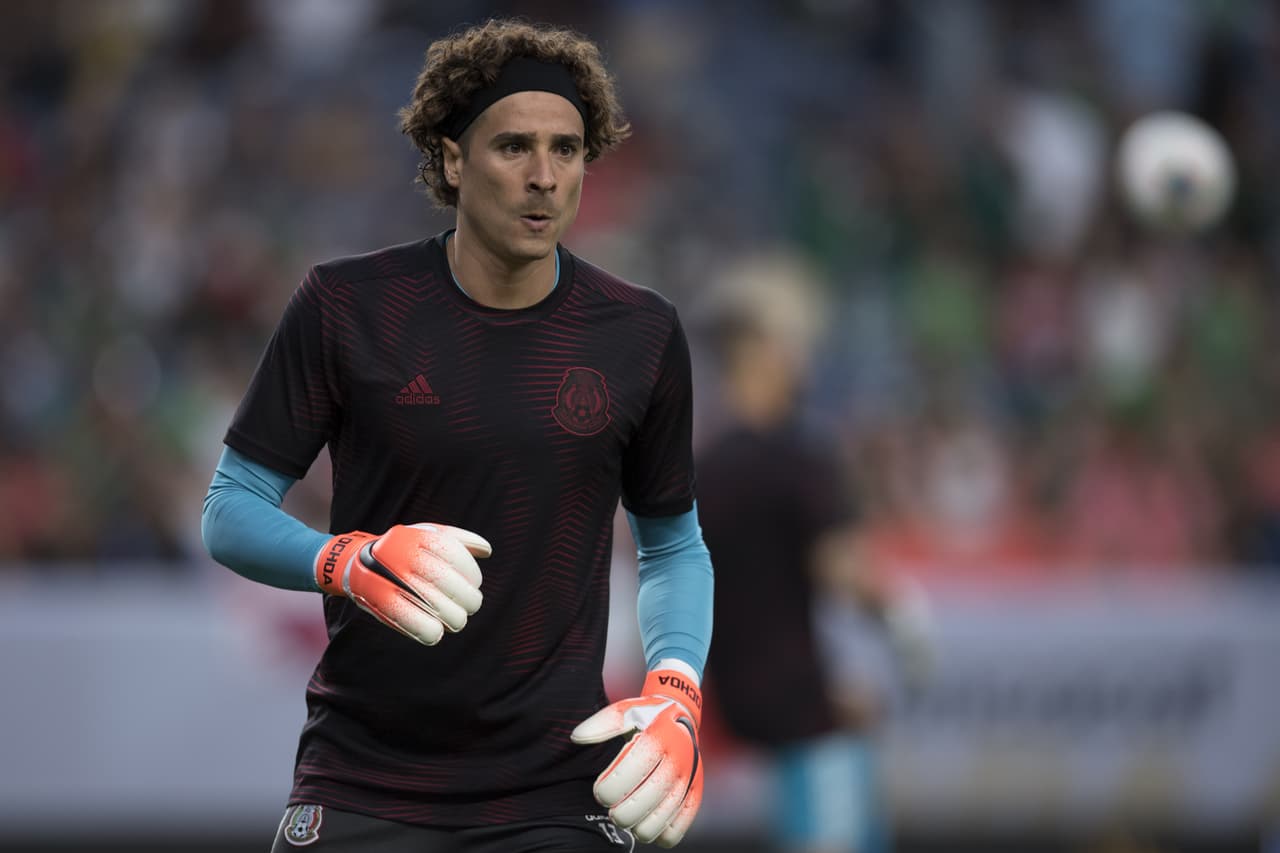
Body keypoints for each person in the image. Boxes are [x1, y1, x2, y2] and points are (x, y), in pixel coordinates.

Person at [201, 18, 713, 853]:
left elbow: (673, 546)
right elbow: (230, 508)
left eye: (568, 149)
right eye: (513, 147)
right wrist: (346, 561)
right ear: (449, 158)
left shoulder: (641, 332)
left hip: (557, 786)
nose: (545, 178)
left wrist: (676, 685)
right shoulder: (347, 306)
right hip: (365, 776)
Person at [694, 254, 929, 853]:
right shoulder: (804, 461)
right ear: (762, 348)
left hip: (721, 715)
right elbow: (844, 573)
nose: (806, 357)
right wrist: (903, 618)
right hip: (802, 721)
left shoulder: (698, 467)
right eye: (796, 341)